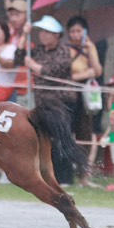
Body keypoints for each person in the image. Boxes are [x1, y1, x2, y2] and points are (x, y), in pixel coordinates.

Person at [23, 14, 76, 185]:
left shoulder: (64, 51)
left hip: (60, 103)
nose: (42, 35)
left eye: (47, 32)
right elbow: (19, 56)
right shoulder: (38, 50)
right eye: (41, 32)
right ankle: (47, 175)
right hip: (42, 103)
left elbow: (55, 70)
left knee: (61, 139)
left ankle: (65, 177)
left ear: (56, 35)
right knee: (44, 140)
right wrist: (24, 35)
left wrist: (35, 67)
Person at [65, 15, 105, 176]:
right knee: (69, 132)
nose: (76, 35)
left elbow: (97, 71)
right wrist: (84, 74)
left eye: (79, 31)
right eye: (72, 31)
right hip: (69, 94)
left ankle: (83, 172)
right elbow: (67, 74)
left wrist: (91, 50)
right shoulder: (66, 49)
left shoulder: (90, 47)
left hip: (86, 96)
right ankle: (68, 170)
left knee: (85, 132)